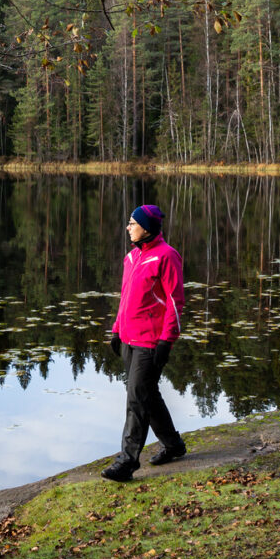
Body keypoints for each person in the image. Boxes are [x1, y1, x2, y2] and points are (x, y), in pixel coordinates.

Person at [102, 204, 187, 482]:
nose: (128, 227)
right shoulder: (131, 257)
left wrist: (166, 341)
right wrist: (116, 330)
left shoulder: (167, 256)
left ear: (147, 228)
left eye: (132, 223)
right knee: (147, 394)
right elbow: (125, 297)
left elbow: (175, 303)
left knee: (136, 398)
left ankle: (127, 461)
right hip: (129, 338)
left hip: (151, 341)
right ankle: (173, 445)